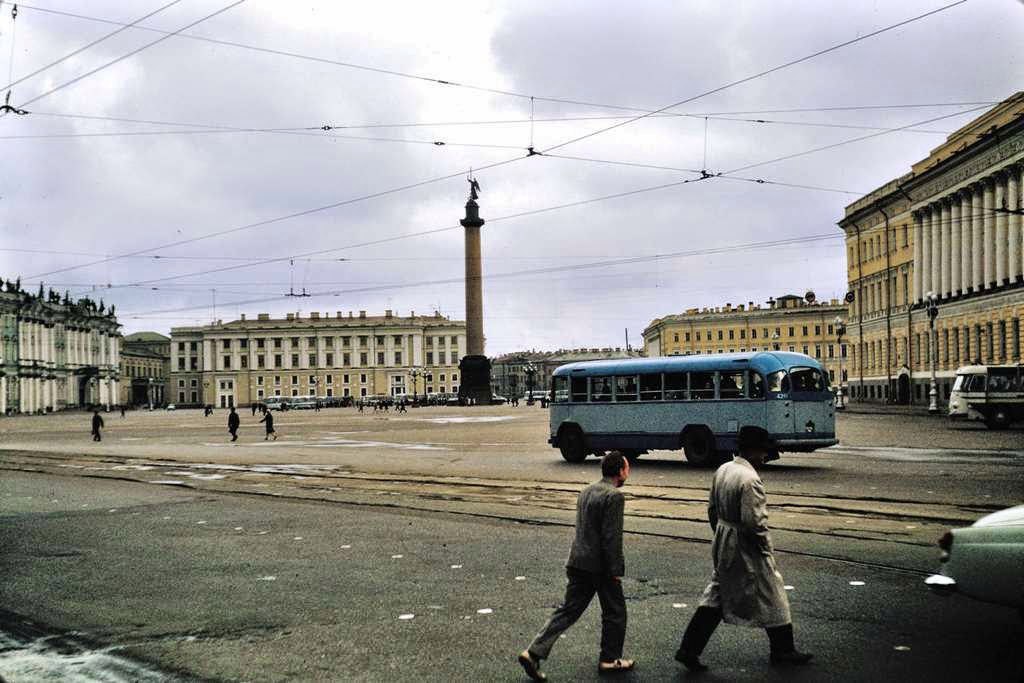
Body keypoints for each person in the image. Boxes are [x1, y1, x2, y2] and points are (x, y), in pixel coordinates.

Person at [674, 426, 812, 671]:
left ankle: (689, 648)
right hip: (745, 545)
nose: (765, 457)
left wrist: (720, 535)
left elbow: (712, 510)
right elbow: (754, 523)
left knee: (717, 594)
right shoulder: (750, 480)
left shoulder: (724, 469)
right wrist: (765, 548)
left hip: (724, 538)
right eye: (763, 452)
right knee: (773, 592)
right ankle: (783, 650)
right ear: (754, 451)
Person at [518, 452, 635, 680]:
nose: (628, 472)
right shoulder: (614, 497)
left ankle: (533, 652)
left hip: (577, 561)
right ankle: (609, 659)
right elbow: (611, 538)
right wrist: (615, 571)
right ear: (620, 471)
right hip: (599, 566)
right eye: (627, 468)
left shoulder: (587, 491)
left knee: (568, 611)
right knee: (615, 612)